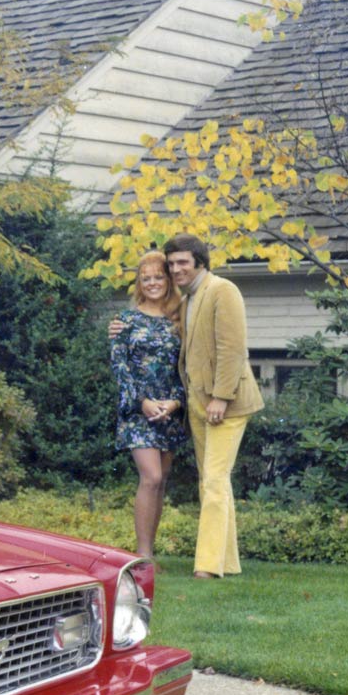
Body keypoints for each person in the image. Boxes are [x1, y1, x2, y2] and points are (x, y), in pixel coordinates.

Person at [163, 233, 263, 579]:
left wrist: (221, 396)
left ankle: (206, 566)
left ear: (200, 262)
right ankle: (228, 562)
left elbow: (232, 348)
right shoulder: (188, 298)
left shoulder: (223, 290)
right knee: (212, 479)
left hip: (228, 403)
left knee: (215, 480)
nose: (176, 269)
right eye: (172, 263)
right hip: (198, 401)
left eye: (183, 263)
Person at [110, 252, 190, 560]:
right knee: (151, 477)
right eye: (147, 278)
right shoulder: (125, 321)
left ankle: (150, 552)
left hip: (168, 410)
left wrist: (175, 402)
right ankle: (142, 556)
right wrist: (141, 402)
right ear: (139, 284)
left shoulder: (178, 319)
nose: (153, 283)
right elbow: (119, 368)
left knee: (161, 482)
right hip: (138, 412)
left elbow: (186, 366)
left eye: (159, 277)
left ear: (168, 281)